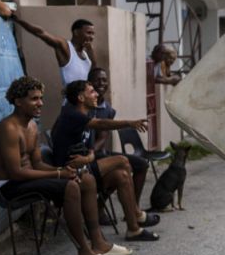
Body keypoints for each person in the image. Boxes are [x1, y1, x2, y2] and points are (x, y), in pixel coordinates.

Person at [0, 76, 133, 255]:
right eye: (34, 99)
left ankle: (98, 242)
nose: (40, 103)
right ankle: (84, 252)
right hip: (11, 185)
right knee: (70, 186)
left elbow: (37, 163)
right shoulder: (9, 128)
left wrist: (63, 171)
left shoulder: (31, 126)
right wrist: (58, 175)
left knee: (86, 179)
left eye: (40, 98)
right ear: (18, 102)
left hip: (26, 176)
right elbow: (16, 173)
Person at [52, 80, 160, 241]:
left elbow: (90, 150)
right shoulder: (72, 114)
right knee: (122, 160)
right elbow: (101, 124)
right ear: (81, 97)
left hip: (84, 167)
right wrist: (129, 123)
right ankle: (136, 213)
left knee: (121, 176)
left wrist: (88, 157)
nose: (96, 94)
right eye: (92, 92)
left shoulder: (85, 115)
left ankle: (133, 229)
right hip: (71, 173)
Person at [87, 67, 149, 207]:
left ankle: (134, 208)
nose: (102, 83)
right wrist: (88, 153)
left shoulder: (107, 109)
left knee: (142, 165)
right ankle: (100, 208)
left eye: (104, 80)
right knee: (119, 170)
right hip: (87, 156)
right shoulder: (85, 106)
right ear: (89, 83)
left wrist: (92, 151)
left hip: (98, 153)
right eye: (97, 80)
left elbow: (103, 137)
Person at [13, 17, 96, 88]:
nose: (92, 37)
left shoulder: (86, 53)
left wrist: (91, 52)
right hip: (72, 104)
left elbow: (93, 75)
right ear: (76, 32)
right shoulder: (66, 47)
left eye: (93, 34)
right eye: (89, 33)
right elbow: (40, 32)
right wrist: (16, 19)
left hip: (85, 103)